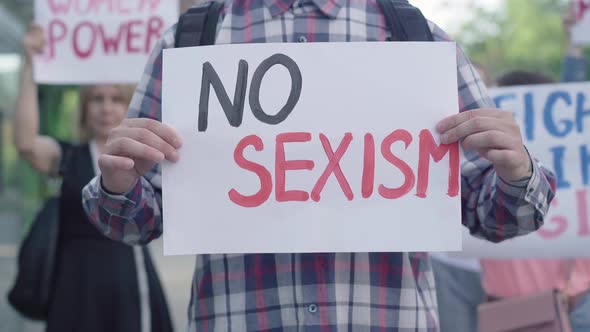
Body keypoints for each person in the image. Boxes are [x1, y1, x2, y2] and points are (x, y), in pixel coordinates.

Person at [82, 1, 556, 330]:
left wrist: (516, 173)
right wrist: (119, 185)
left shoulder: (415, 37)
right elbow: (135, 224)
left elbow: (496, 217)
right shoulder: (189, 42)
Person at [14, 23, 173, 332]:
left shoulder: (146, 156)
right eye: (96, 99)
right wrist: (29, 65)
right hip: (75, 284)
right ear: (85, 108)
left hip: (129, 278)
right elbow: (24, 143)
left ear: (129, 105)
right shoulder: (69, 155)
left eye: (116, 99)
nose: (105, 107)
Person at [479, 5, 590, 331]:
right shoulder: (486, 165)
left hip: (573, 307)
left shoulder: (567, 159)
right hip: (507, 313)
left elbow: (569, 103)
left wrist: (573, 45)